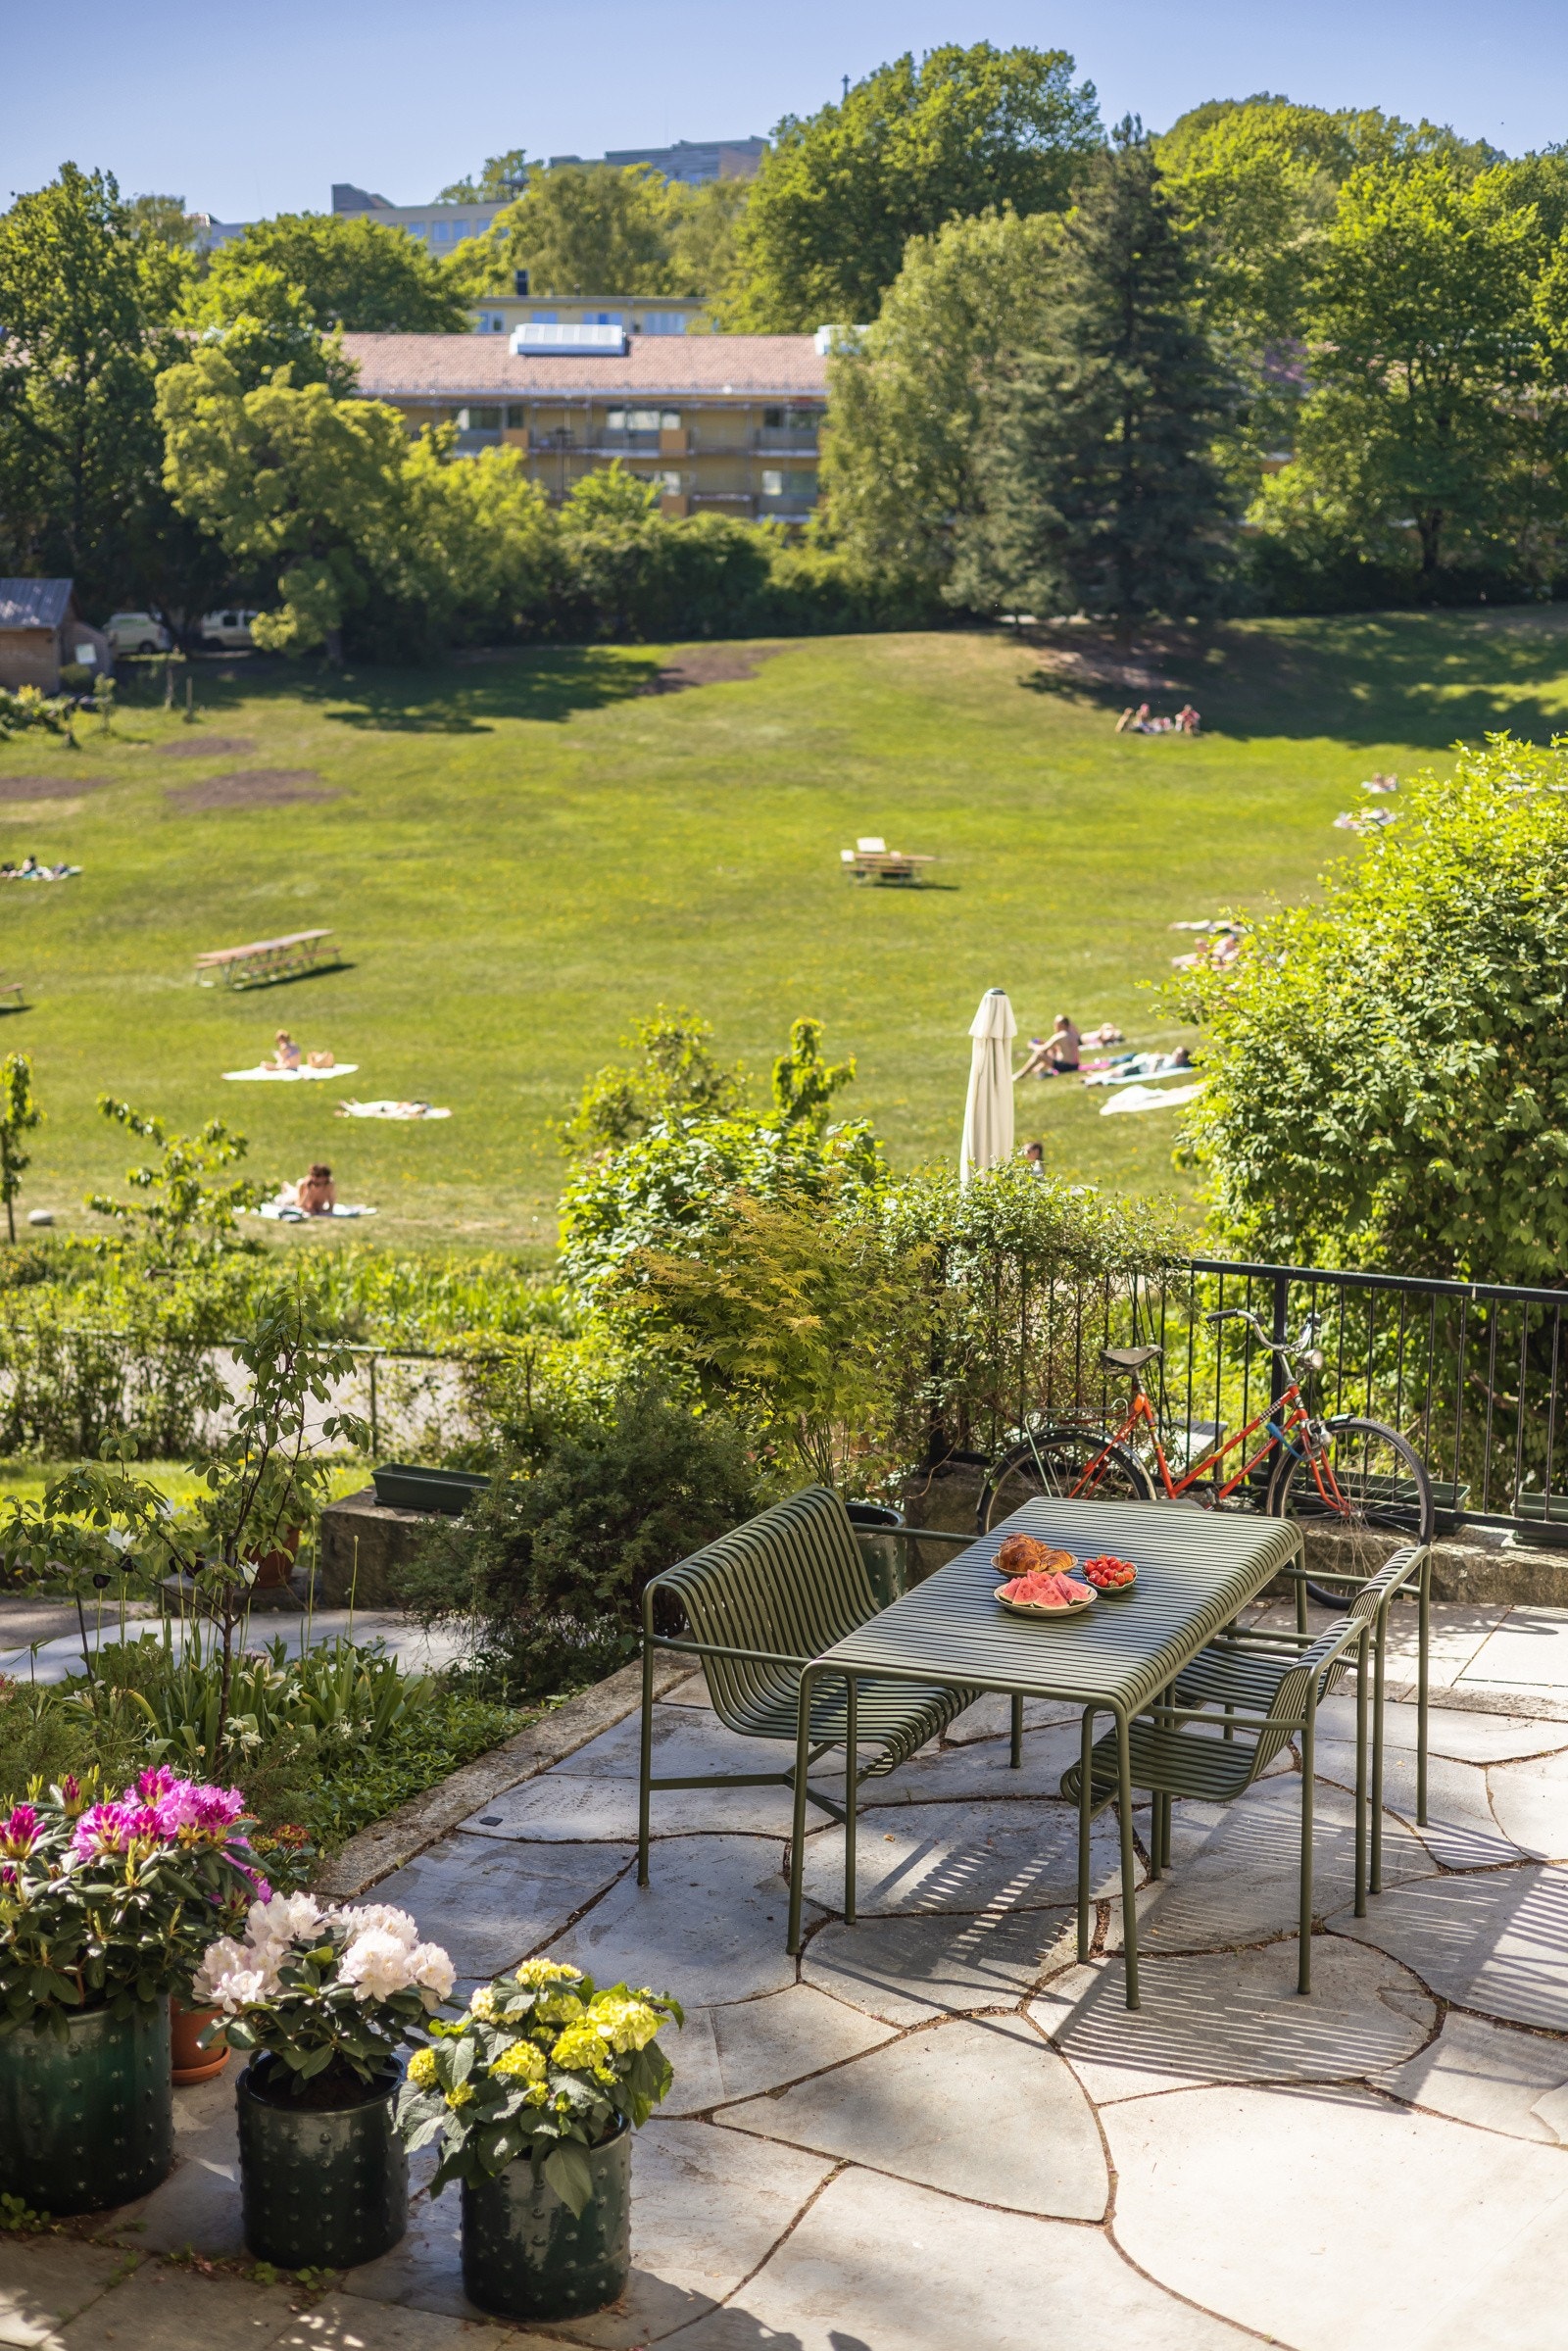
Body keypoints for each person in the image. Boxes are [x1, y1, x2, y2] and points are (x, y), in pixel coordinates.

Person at [1013, 1015, 1081, 1080]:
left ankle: (1021, 1074)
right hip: (1075, 1065)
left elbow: (1043, 1048)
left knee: (1039, 1055)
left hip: (1066, 1067)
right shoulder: (1073, 1033)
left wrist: (1032, 1046)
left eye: (1056, 1024)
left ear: (1062, 1025)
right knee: (1052, 1051)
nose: (1055, 1026)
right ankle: (1037, 1068)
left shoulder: (1060, 1036)